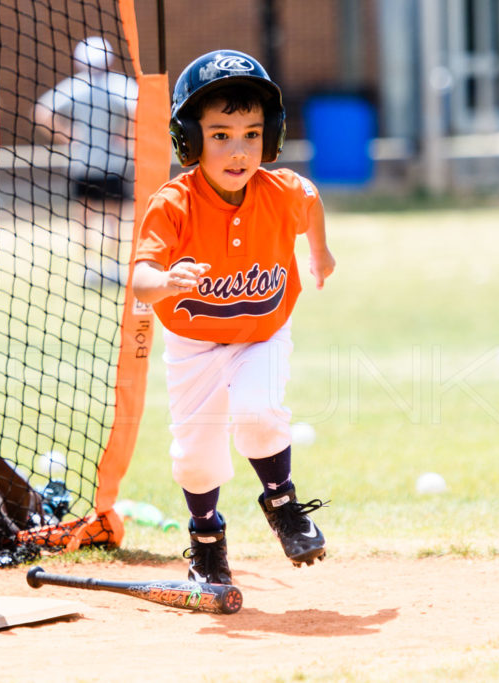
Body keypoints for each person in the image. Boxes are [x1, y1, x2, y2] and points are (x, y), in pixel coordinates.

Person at [131, 50, 336, 585]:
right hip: (194, 343)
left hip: (261, 335)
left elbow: (310, 204)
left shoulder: (282, 191)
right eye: (220, 134)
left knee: (257, 410)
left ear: (270, 137)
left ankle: (283, 503)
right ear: (189, 140)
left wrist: (320, 252)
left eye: (251, 133)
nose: (239, 149)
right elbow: (140, 277)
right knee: (194, 457)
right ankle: (206, 539)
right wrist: (164, 283)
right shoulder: (173, 204)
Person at [33, 36, 138, 288]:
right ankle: (110, 267)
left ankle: (90, 268)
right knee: (112, 218)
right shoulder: (120, 85)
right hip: (112, 164)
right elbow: (141, 110)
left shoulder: (75, 86)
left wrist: (65, 136)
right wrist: (129, 137)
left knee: (85, 217)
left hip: (85, 163)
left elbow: (41, 111)